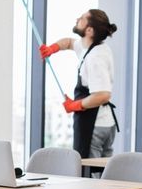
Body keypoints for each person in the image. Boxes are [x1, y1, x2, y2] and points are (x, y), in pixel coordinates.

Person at [39, 9, 118, 160]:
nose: (77, 19)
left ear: (89, 30)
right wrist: (52, 48)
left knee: (89, 175)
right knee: (104, 176)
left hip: (95, 126)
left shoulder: (95, 57)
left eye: (81, 18)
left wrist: (76, 105)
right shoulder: (92, 47)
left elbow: (103, 95)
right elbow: (68, 43)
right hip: (104, 123)